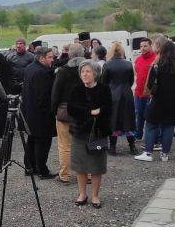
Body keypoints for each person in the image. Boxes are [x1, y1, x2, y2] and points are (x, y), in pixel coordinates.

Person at [65, 60, 112, 208]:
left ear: (95, 73)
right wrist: (90, 112)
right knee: (80, 166)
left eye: (88, 71)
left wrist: (100, 111)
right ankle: (82, 194)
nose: (84, 74)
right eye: (82, 71)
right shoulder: (76, 89)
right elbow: (71, 108)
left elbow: (109, 108)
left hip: (98, 132)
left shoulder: (104, 89)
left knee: (96, 166)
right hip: (80, 133)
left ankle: (95, 196)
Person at [135, 41, 175, 162]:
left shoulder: (157, 66)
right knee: (168, 127)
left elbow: (149, 85)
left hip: (158, 100)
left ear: (161, 51)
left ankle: (148, 153)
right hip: (174, 102)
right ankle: (164, 154)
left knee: (151, 125)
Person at [50, 43, 86, 183]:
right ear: (83, 53)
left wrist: (54, 110)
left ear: (69, 54)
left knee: (65, 145)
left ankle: (64, 175)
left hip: (65, 111)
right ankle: (87, 174)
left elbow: (56, 93)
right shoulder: (89, 69)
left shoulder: (63, 71)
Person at [21, 48, 57, 179]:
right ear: (41, 58)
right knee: (42, 142)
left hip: (30, 111)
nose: (52, 60)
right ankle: (42, 170)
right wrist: (50, 112)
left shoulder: (30, 68)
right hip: (41, 113)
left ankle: (29, 167)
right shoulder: (42, 73)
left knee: (32, 140)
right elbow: (43, 96)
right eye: (50, 57)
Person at [101, 42, 137, 155]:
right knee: (129, 120)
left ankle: (112, 148)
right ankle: (132, 147)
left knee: (114, 121)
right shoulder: (128, 64)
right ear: (122, 51)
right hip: (127, 94)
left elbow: (104, 83)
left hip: (112, 95)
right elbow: (131, 81)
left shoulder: (107, 64)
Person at [133, 38, 157, 138]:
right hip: (138, 93)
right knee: (139, 115)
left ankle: (152, 137)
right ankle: (138, 135)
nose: (142, 48)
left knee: (151, 116)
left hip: (150, 94)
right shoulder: (138, 59)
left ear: (151, 46)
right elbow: (136, 75)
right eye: (141, 46)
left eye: (145, 46)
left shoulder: (156, 59)